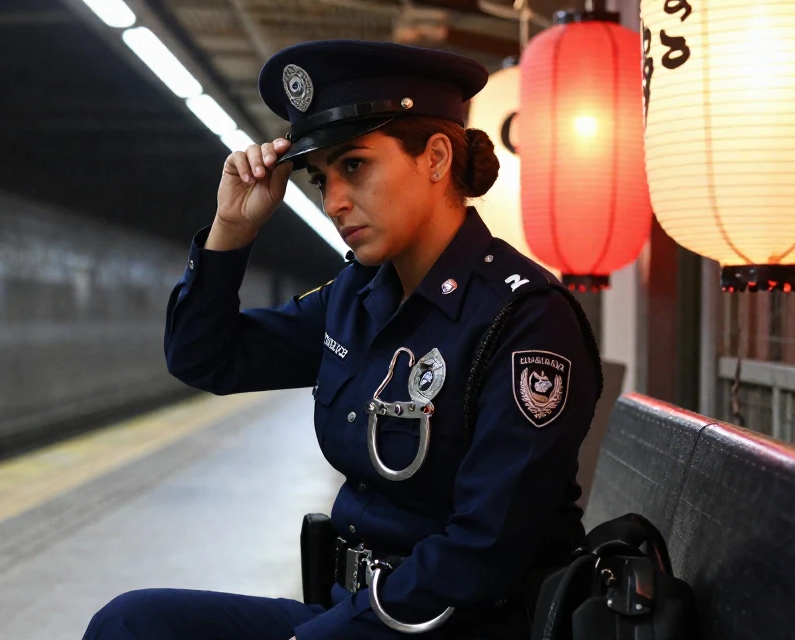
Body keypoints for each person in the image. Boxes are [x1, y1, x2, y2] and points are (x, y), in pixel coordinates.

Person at [83, 39, 602, 640]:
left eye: (354, 166)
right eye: (320, 178)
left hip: (450, 627)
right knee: (132, 623)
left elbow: (481, 552)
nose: (333, 202)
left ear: (435, 157)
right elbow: (205, 359)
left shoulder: (524, 320)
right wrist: (231, 229)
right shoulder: (359, 296)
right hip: (351, 615)